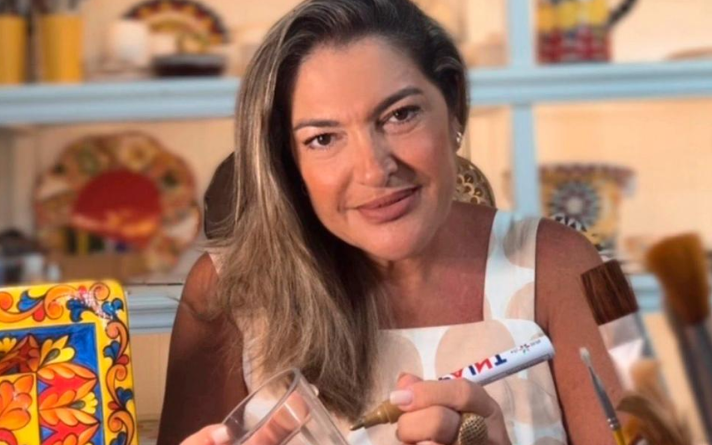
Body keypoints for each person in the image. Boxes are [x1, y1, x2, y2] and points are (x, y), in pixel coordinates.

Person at [157, 1, 623, 444]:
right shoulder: (219, 287)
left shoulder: (578, 260)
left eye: (400, 115)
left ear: (453, 104)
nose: (374, 170)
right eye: (323, 138)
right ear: (289, 160)